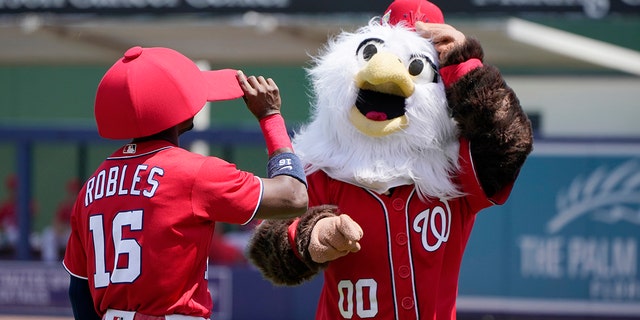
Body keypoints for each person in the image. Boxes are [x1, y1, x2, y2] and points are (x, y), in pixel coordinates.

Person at [62, 45, 308, 320]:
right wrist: (270, 117)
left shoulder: (91, 188)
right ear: (172, 108)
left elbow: (79, 292)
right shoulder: (194, 172)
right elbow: (294, 196)